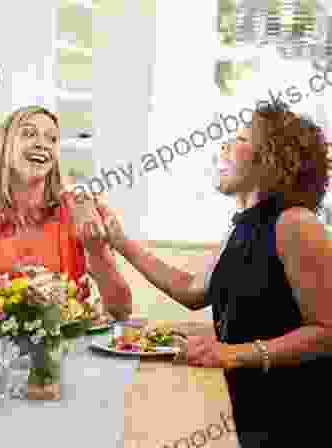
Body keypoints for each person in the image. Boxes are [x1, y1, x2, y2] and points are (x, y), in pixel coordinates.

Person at [97, 103, 332, 446]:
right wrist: (120, 241)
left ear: (271, 158)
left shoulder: (296, 223)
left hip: (293, 416)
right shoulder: (240, 228)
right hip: (245, 400)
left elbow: (327, 331)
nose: (222, 146)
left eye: (238, 138)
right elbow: (193, 291)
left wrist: (233, 353)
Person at [0, 105, 132, 320]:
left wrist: (98, 252)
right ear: (5, 145)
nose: (42, 144)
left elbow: (122, 309)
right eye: (29, 134)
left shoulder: (79, 206)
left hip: (70, 343)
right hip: (2, 345)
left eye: (52, 138)